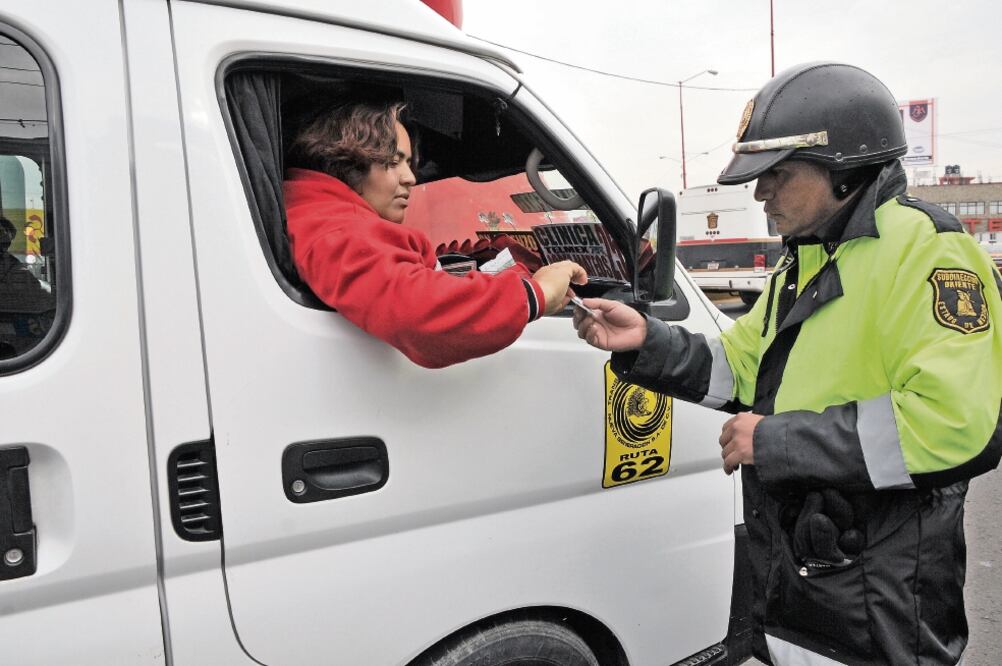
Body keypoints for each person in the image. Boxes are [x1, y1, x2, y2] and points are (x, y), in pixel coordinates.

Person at [574, 62, 1002, 665]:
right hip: (799, 567)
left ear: (845, 172)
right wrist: (646, 340)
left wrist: (776, 441)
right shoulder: (805, 258)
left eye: (777, 173)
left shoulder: (930, 253)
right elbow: (740, 366)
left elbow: (957, 427)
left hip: (879, 596)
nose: (759, 193)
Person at [283, 100, 586, 368]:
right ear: (346, 161)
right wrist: (537, 294)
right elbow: (418, 312)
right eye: (393, 162)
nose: (410, 178)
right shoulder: (335, 227)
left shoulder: (312, 210)